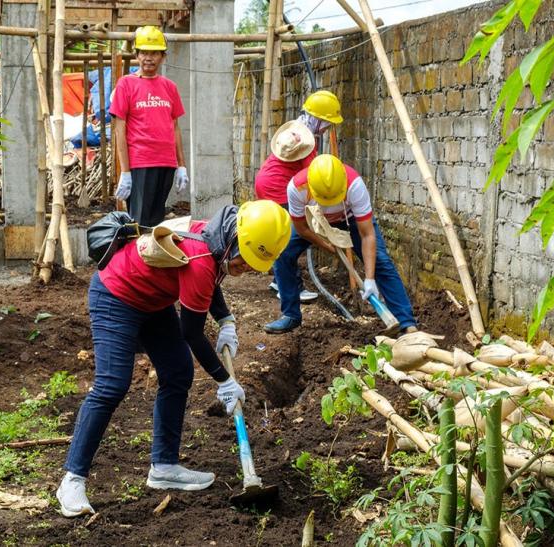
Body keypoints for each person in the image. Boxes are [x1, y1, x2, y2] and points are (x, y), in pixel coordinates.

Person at [56, 200, 292, 517]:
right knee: (112, 384)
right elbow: (192, 332)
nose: (244, 269)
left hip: (153, 298)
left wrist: (226, 320)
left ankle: (164, 466)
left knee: (178, 371)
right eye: (242, 262)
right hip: (116, 294)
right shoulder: (203, 256)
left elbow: (213, 275)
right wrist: (225, 381)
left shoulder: (216, 236)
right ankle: (72, 480)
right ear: (234, 241)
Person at [264, 154, 417, 334]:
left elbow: (367, 235)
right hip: (314, 218)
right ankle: (290, 315)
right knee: (283, 254)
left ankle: (407, 323)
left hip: (349, 218)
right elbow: (302, 228)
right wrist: (327, 246)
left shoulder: (354, 185)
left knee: (380, 261)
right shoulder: (297, 188)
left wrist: (369, 279)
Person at [110, 25, 187, 227]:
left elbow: (175, 126)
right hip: (141, 162)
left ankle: (151, 258)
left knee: (156, 222)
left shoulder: (170, 87)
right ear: (136, 55)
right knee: (139, 223)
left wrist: (182, 165)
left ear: (163, 56)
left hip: (166, 163)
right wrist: (125, 172)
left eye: (154, 53)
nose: (148, 58)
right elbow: (120, 129)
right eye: (144, 52)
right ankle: (135, 259)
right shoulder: (126, 84)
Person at [254, 120, 318, 303]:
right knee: (290, 239)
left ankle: (279, 280)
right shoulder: (305, 148)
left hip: (265, 182)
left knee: (282, 236)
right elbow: (312, 177)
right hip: (277, 188)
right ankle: (291, 287)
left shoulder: (288, 140)